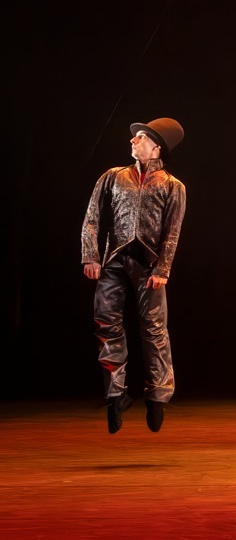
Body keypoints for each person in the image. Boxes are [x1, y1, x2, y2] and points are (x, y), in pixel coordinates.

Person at [81, 118, 186, 434]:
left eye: (139, 138)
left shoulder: (172, 185)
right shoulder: (113, 177)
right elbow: (92, 219)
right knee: (106, 321)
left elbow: (172, 232)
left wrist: (163, 270)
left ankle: (157, 395)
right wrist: (91, 256)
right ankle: (116, 394)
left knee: (154, 329)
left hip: (149, 264)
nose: (132, 141)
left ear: (156, 147)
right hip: (115, 259)